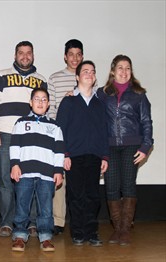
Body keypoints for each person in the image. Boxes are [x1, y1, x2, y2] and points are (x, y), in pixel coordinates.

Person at [0, 41, 48, 237]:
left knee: (31, 180)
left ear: (33, 56)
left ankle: (31, 223)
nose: (25, 56)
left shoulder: (41, 80)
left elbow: (45, 110)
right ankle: (6, 223)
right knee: (6, 180)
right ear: (15, 55)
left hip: (32, 137)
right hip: (6, 134)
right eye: (21, 53)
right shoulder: (1, 75)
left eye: (28, 53)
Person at [97, 55, 153, 246]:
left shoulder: (139, 94)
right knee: (111, 186)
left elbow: (146, 122)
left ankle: (125, 230)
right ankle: (117, 229)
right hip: (109, 146)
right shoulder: (102, 94)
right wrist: (73, 94)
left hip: (132, 146)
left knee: (128, 185)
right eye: (120, 67)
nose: (123, 71)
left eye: (127, 68)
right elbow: (87, 105)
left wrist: (146, 146)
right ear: (113, 71)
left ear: (131, 71)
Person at [56, 60, 109, 247]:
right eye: (85, 71)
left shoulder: (100, 104)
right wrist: (65, 154)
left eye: (92, 71)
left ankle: (92, 232)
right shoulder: (68, 101)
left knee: (93, 196)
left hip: (95, 156)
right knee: (76, 195)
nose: (89, 74)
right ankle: (78, 232)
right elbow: (60, 129)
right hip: (74, 156)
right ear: (77, 77)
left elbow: (104, 131)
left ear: (94, 78)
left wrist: (104, 156)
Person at [10, 88, 64, 252]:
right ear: (30, 102)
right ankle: (20, 235)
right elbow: (14, 145)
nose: (40, 102)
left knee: (46, 208)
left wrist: (58, 171)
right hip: (25, 172)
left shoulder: (55, 126)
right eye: (37, 99)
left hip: (47, 175)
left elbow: (59, 150)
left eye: (44, 100)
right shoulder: (20, 122)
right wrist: (14, 165)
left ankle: (46, 237)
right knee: (22, 205)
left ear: (48, 104)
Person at [47, 39, 84, 235]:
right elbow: (50, 110)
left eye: (78, 54)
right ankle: (58, 222)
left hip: (82, 140)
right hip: (61, 137)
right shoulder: (54, 78)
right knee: (59, 180)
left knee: (79, 182)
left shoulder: (88, 78)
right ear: (65, 56)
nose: (75, 58)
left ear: (82, 57)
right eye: (71, 54)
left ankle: (79, 221)